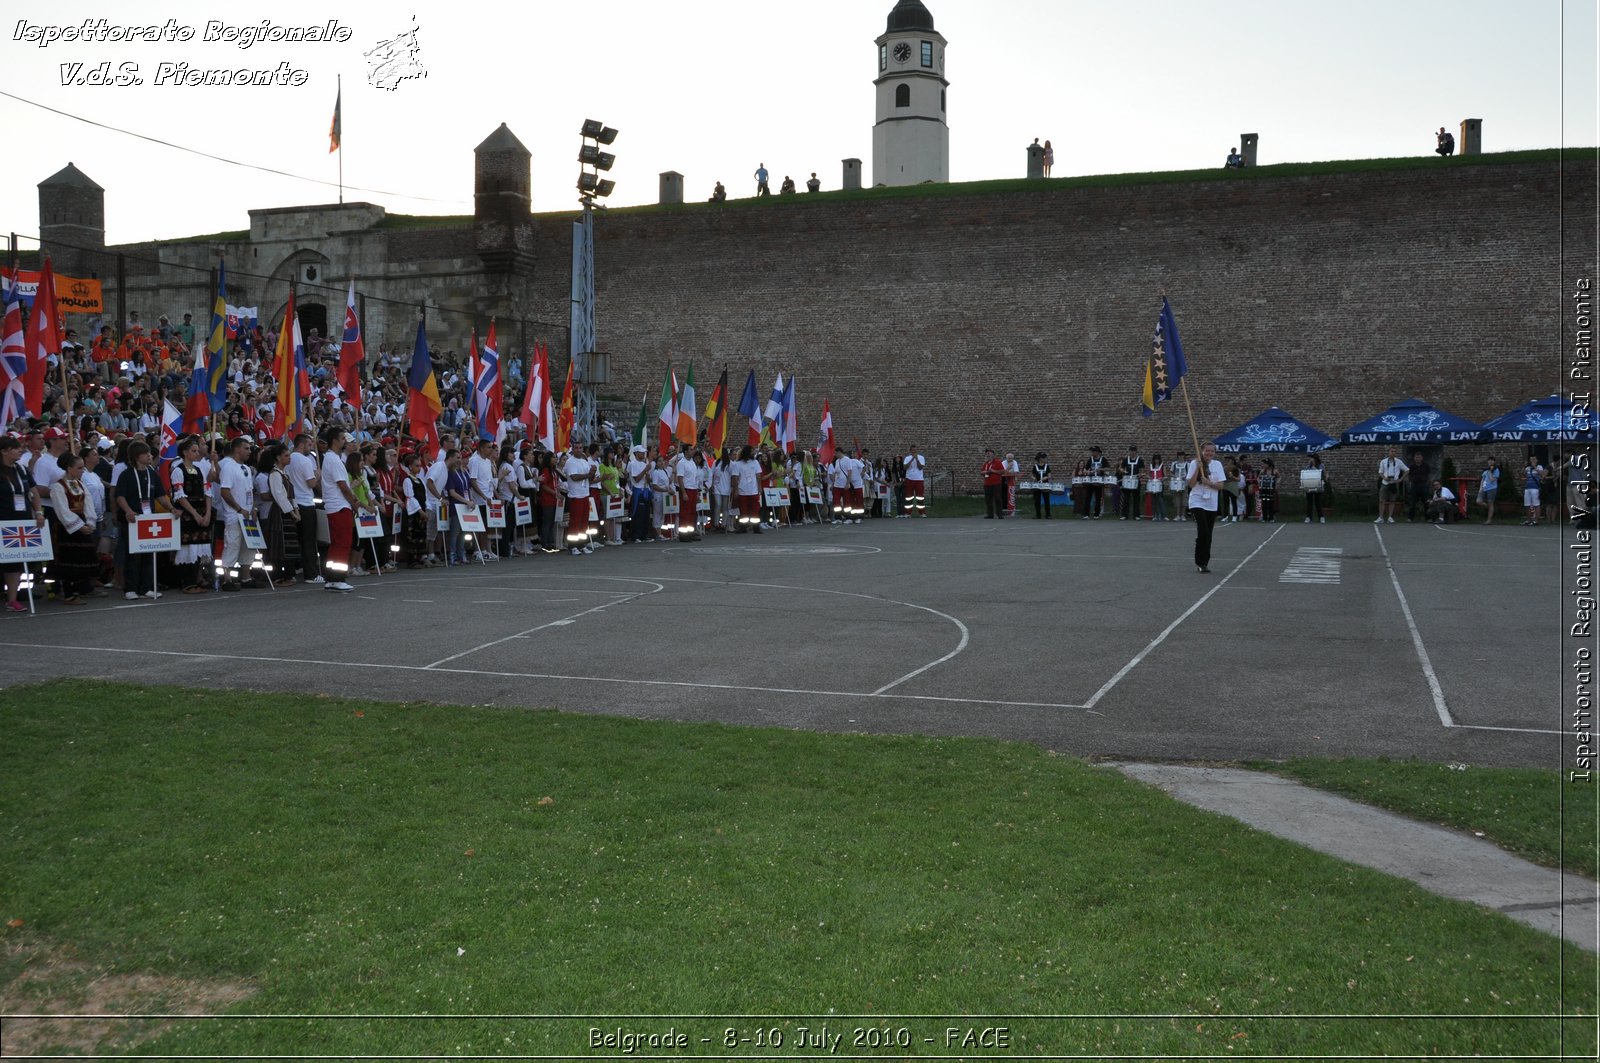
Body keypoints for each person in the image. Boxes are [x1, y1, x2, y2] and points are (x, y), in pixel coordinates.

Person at [114, 441, 168, 599]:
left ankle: (146, 587)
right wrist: (128, 511)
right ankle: (130, 588)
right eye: (146, 453)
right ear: (137, 457)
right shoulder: (127, 474)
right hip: (132, 520)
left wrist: (171, 509)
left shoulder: (152, 473)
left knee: (149, 554)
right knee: (133, 555)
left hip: (148, 520)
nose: (150, 456)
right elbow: (120, 496)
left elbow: (161, 495)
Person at [47, 453, 99, 605]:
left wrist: (90, 522)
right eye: (79, 468)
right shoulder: (58, 487)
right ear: (69, 469)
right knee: (68, 559)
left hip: (81, 523)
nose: (82, 471)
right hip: (66, 528)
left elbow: (88, 503)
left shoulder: (79, 484)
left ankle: (79, 590)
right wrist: (78, 526)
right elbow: (62, 510)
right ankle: (69, 594)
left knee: (81, 558)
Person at [0, 436, 43, 612]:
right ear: (4, 451)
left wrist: (38, 512)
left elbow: (34, 492)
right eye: (15, 448)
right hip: (2, 519)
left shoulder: (22, 469)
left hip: (20, 520)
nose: (20, 450)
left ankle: (12, 599)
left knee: (16, 561)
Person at [169, 437, 213, 593]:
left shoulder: (199, 470)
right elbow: (179, 495)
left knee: (199, 547)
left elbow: (208, 492)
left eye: (197, 450)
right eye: (193, 451)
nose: (196, 453)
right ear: (185, 452)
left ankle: (195, 580)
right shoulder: (178, 471)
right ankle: (187, 582)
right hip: (189, 513)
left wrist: (207, 513)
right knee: (187, 548)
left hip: (201, 511)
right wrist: (195, 514)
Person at [319, 428, 356, 591]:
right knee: (343, 543)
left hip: (335, 506)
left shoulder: (330, 458)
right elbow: (343, 486)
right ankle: (338, 578)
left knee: (336, 544)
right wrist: (354, 503)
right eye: (342, 438)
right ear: (335, 440)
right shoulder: (333, 459)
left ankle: (332, 578)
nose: (344, 441)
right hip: (339, 506)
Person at [1187, 442, 1225, 574]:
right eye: (1207, 451)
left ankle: (1205, 561)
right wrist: (1198, 469)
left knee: (1208, 534)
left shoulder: (1217, 465)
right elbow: (1191, 485)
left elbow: (1221, 486)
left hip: (1211, 503)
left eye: (1212, 451)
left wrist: (1209, 483)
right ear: (1202, 451)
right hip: (1197, 501)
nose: (1209, 453)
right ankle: (1200, 562)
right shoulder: (1194, 463)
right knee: (1202, 531)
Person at [563, 440, 595, 554]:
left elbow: (590, 478)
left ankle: (582, 544)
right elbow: (574, 477)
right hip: (576, 495)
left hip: (585, 493)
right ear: (572, 449)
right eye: (576, 448)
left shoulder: (584, 461)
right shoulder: (570, 462)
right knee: (575, 522)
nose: (579, 450)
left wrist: (592, 473)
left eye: (580, 448)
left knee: (583, 522)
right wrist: (588, 474)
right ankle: (572, 546)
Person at [1376, 446, 1407, 524]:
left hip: (1394, 483)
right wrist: (1384, 478)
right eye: (1391, 451)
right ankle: (1381, 517)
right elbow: (1380, 472)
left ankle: (1390, 517)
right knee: (1382, 500)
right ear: (1388, 452)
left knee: (1392, 500)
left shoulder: (1398, 461)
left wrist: (1400, 479)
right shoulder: (1383, 461)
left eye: (1394, 452)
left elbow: (1407, 470)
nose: (1393, 453)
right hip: (1385, 483)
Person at [1405, 450, 1431, 522]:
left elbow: (1428, 475)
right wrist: (1410, 482)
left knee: (1426, 502)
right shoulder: (1411, 466)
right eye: (1416, 457)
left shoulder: (1426, 465)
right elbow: (1408, 476)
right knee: (1412, 503)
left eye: (1419, 457)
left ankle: (1428, 518)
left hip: (1424, 485)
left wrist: (1428, 483)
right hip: (1414, 486)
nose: (1418, 459)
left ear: (1422, 458)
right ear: (1414, 458)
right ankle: (1410, 518)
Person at [1119, 445, 1144, 520]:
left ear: (1136, 451)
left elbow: (1142, 470)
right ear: (1129, 451)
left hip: (1136, 481)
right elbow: (1120, 468)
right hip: (1127, 481)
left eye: (1134, 451)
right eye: (1131, 451)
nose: (1132, 452)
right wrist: (1123, 471)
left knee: (1136, 498)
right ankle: (1124, 515)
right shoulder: (1126, 459)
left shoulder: (1140, 460)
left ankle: (1136, 515)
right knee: (1126, 498)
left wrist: (1140, 475)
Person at [902, 446, 927, 516]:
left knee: (920, 496)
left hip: (919, 479)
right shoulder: (907, 458)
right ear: (910, 451)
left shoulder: (921, 457)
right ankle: (907, 513)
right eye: (912, 450)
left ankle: (922, 513)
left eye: (915, 450)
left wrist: (917, 459)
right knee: (908, 497)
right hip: (909, 479)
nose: (914, 452)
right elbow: (905, 467)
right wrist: (912, 459)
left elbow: (920, 467)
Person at [1477, 456, 1501, 523]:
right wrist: (1480, 488)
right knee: (1478, 501)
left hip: (1492, 488)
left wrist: (1490, 471)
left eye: (1492, 460)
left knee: (1491, 503)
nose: (1490, 461)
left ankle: (1489, 520)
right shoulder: (1485, 470)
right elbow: (1483, 479)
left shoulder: (1496, 470)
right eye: (1489, 460)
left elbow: (1492, 479)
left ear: (1494, 462)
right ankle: (1489, 508)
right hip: (1484, 488)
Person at [1304, 454, 1327, 523]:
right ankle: (1308, 517)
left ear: (1314, 459)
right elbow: (1305, 474)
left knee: (1318, 502)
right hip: (1310, 485)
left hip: (1318, 486)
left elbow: (1323, 474)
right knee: (1309, 502)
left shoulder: (1321, 466)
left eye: (1311, 458)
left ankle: (1321, 517)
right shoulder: (1308, 467)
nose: (1309, 460)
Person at [981, 449, 1004, 518]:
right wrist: (984, 472)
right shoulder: (986, 463)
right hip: (987, 484)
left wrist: (994, 471)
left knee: (997, 498)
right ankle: (990, 514)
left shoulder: (997, 462)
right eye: (987, 454)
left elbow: (1002, 471)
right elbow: (981, 472)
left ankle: (999, 514)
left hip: (996, 483)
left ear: (993, 455)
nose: (988, 455)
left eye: (990, 453)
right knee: (988, 500)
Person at [1522, 455, 1544, 526]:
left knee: (1536, 504)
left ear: (1537, 460)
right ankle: (1528, 520)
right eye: (1531, 460)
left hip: (1535, 488)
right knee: (1527, 505)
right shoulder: (1528, 468)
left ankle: (1536, 520)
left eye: (1534, 459)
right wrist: (1525, 466)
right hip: (1527, 488)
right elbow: (1522, 473)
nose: (1532, 461)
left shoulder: (1539, 467)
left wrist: (1534, 467)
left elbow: (1541, 474)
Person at [1031, 452, 1052, 519]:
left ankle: (1048, 515)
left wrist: (1045, 478)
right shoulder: (1035, 466)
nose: (1045, 459)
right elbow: (1032, 475)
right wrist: (1033, 478)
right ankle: (1038, 515)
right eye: (1044, 458)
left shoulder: (1046, 466)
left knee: (1046, 500)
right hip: (1037, 485)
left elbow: (1049, 475)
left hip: (1045, 485)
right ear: (1040, 459)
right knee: (1037, 500)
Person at [1258, 459, 1279, 523]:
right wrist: (1259, 483)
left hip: (1271, 489)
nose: (1263, 465)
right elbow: (1258, 478)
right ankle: (1264, 517)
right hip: (1264, 489)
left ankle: (1271, 517)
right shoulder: (1262, 471)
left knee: (1271, 503)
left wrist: (1277, 485)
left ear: (1269, 464)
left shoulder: (1275, 471)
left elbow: (1279, 478)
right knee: (1264, 503)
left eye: (1265, 464)